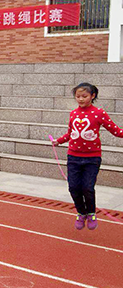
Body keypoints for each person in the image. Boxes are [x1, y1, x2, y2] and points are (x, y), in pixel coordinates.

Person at [52, 83, 123, 230]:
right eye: (78, 96)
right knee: (73, 187)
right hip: (73, 157)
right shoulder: (73, 113)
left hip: (92, 159)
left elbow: (115, 130)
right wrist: (58, 141)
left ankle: (91, 213)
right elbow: (71, 133)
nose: (80, 99)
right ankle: (81, 212)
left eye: (84, 96)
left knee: (87, 188)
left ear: (92, 96)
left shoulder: (99, 113)